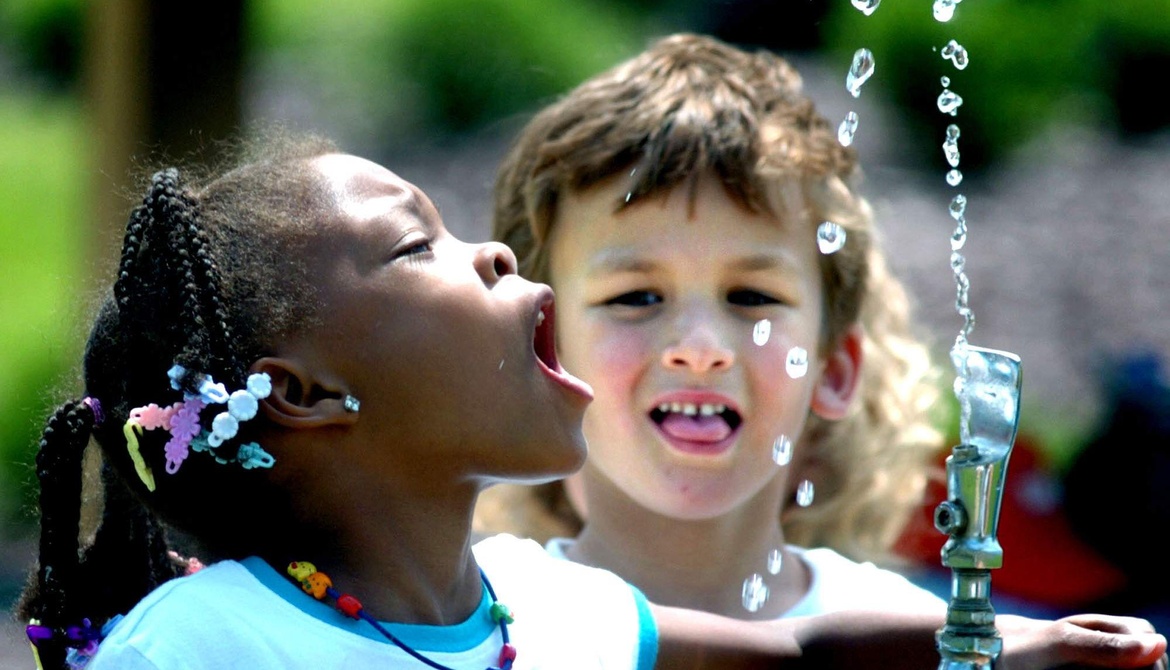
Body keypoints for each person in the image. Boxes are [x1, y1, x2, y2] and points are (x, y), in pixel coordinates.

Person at [13, 132, 1166, 670]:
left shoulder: (547, 607)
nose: (496, 257)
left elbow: (807, 647)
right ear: (302, 393)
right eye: (420, 244)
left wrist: (1014, 645)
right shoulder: (211, 647)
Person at [476, 30, 1147, 628]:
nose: (700, 348)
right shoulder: (488, 624)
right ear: (540, 355)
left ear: (833, 370)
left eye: (751, 295)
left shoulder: (914, 637)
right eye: (636, 296)